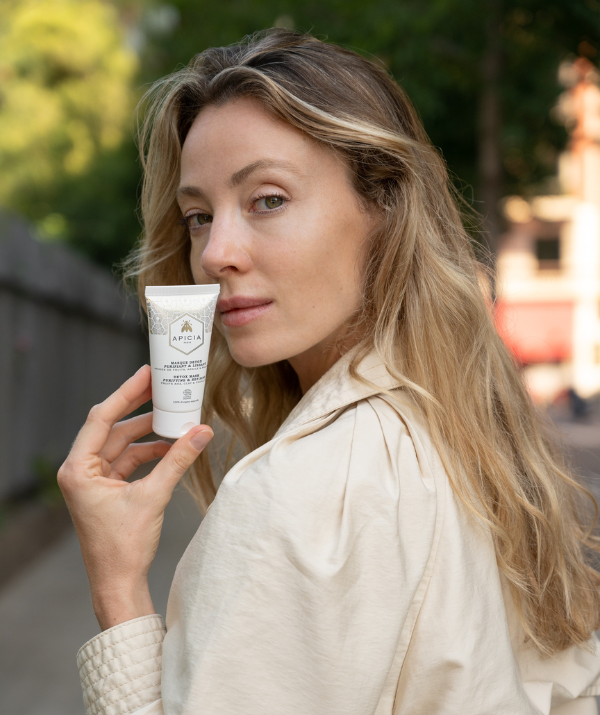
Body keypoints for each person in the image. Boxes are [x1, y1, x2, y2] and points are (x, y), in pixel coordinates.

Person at [58, 29, 600, 715]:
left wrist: (117, 586)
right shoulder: (460, 438)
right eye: (198, 216)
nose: (216, 251)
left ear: (383, 210)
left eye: (268, 199)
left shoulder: (305, 491)